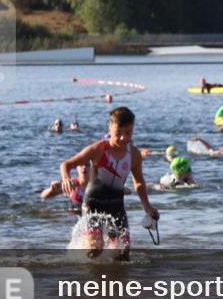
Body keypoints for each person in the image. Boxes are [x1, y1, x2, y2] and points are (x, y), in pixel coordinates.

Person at [60, 106, 159, 260]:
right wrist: (66, 178)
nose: (122, 138)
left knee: (123, 254)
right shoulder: (98, 149)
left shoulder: (134, 154)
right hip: (93, 204)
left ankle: (116, 281)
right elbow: (66, 164)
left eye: (128, 133)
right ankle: (87, 277)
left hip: (116, 205)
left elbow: (139, 182)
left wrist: (147, 205)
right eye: (118, 133)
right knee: (95, 250)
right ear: (110, 128)